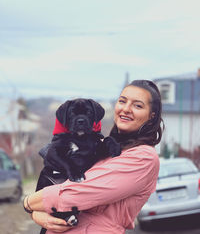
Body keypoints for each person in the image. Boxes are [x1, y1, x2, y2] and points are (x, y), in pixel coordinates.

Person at [23, 80, 164, 234]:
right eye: (122, 101)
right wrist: (38, 214)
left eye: (137, 105)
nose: (126, 109)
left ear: (151, 116)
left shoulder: (143, 158)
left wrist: (28, 204)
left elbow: (74, 195)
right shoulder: (102, 145)